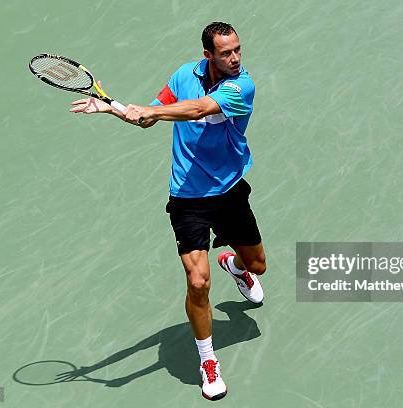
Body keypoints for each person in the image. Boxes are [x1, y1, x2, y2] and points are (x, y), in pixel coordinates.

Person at [69, 22, 267, 401]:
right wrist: (112, 108)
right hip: (187, 197)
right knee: (197, 283)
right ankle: (208, 360)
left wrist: (154, 113)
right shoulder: (182, 75)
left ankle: (236, 267)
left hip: (228, 191)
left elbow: (197, 110)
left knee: (258, 266)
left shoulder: (243, 85)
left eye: (238, 49)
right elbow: (149, 116)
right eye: (225, 53)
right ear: (208, 55)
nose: (235, 58)